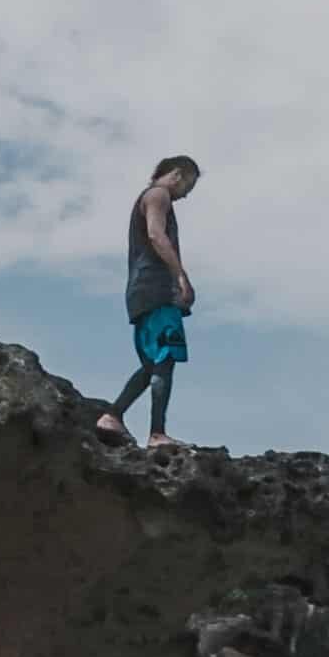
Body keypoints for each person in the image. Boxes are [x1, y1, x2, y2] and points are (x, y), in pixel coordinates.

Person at [98, 155, 199, 447]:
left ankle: (112, 416)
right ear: (178, 174)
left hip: (139, 292)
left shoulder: (148, 198)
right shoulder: (158, 195)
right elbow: (156, 235)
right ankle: (157, 434)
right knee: (166, 359)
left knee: (151, 365)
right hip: (157, 289)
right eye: (188, 185)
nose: (187, 194)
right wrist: (180, 276)